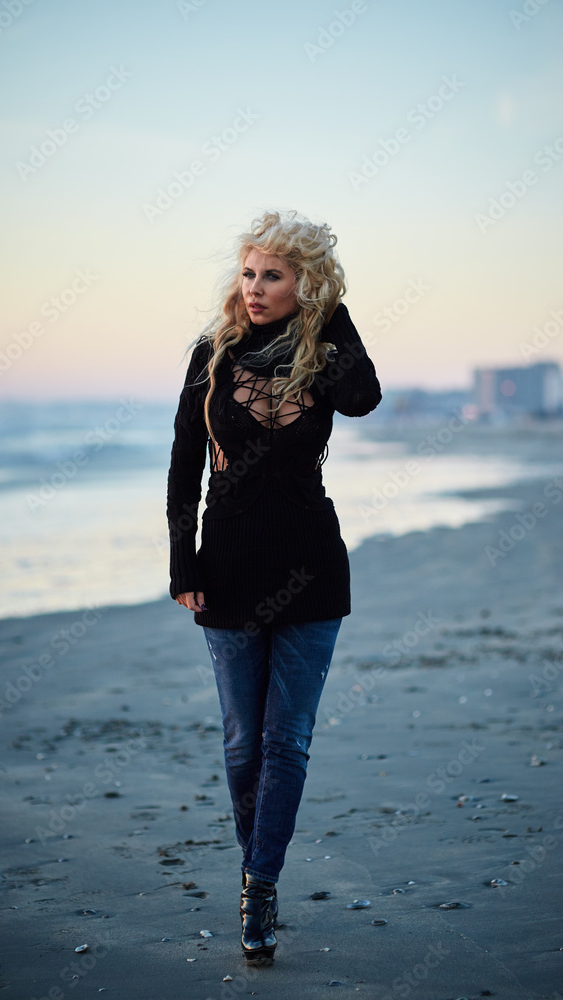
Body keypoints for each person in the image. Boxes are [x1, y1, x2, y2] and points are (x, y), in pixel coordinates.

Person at [166, 209, 382, 965]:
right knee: (239, 744)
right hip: (225, 568)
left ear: (305, 284)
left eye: (274, 276)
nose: (254, 289)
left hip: (311, 570)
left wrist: (333, 311)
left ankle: (259, 883)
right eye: (249, 273)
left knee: (285, 742)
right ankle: (258, 867)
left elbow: (364, 399)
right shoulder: (211, 355)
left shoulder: (326, 352)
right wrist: (181, 562)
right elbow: (183, 466)